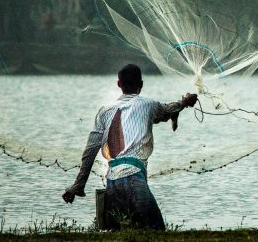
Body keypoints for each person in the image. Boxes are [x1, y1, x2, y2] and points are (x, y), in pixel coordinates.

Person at [62, 63, 197, 230]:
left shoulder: (104, 111)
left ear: (119, 84)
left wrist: (77, 186)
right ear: (141, 84)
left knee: (122, 235)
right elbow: (168, 110)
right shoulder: (148, 105)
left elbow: (90, 152)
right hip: (134, 178)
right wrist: (185, 102)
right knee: (156, 231)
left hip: (112, 181)